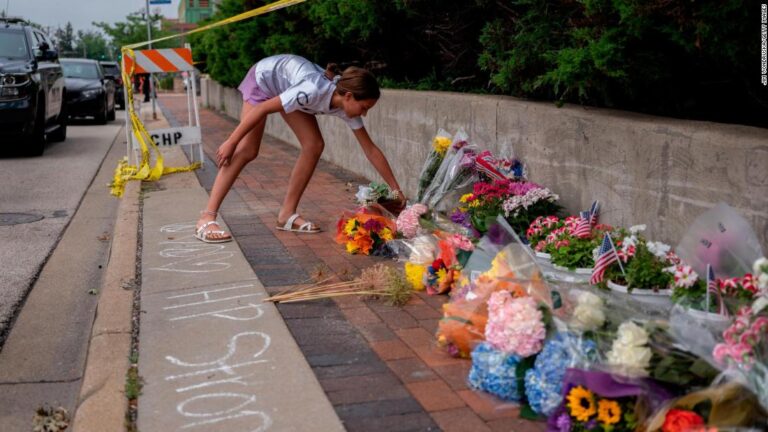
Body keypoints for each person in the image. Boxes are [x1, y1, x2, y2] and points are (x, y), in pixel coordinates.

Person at [195, 54, 405, 243]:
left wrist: (396, 190)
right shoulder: (311, 91)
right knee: (247, 150)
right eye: (364, 108)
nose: (364, 114)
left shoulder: (344, 106)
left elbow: (370, 150)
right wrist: (231, 141)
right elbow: (262, 109)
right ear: (348, 96)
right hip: (264, 80)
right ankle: (207, 217)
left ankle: (286, 214)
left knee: (314, 145)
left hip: (286, 87)